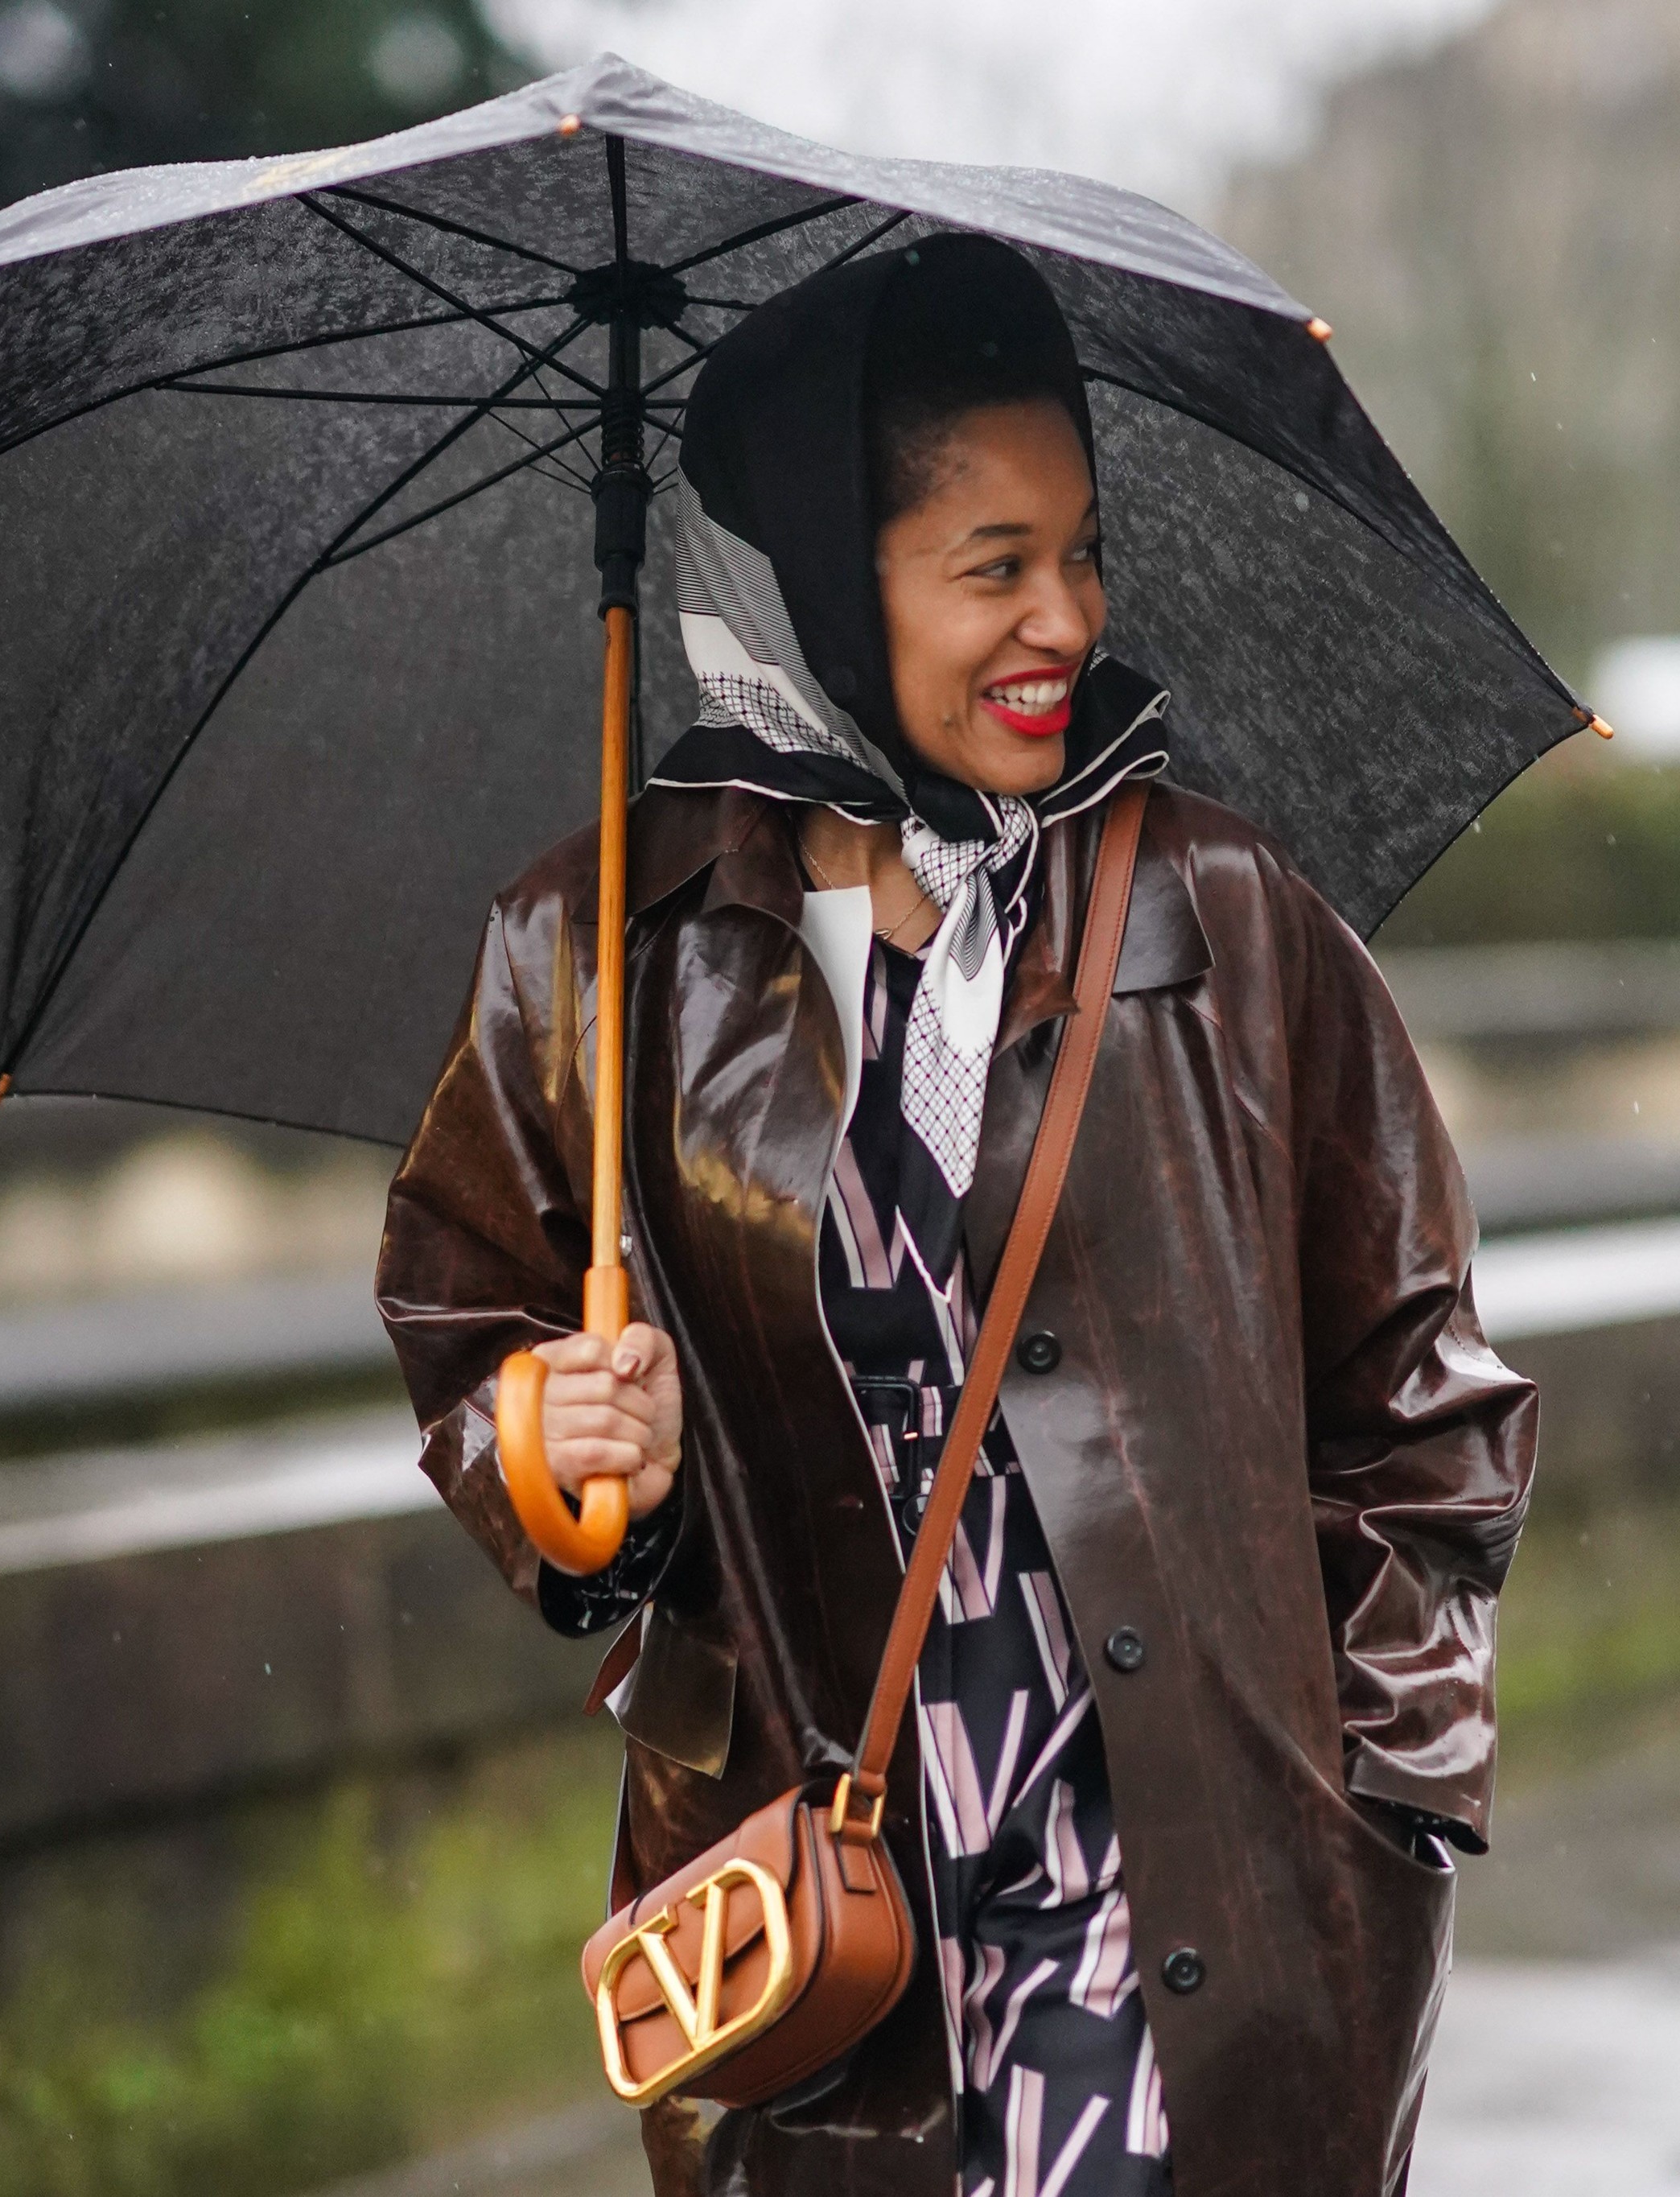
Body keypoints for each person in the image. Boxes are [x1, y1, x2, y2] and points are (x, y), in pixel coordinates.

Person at [377, 235, 1536, 2197]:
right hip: (821, 1919)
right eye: (991, 567)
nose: (1062, 619)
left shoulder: (1225, 917)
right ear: (830, 585)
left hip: (1196, 1900)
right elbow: (470, 1335)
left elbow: (1422, 1399)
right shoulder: (593, 954)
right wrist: (565, 1463)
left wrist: (1377, 1795)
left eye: (1079, 555)